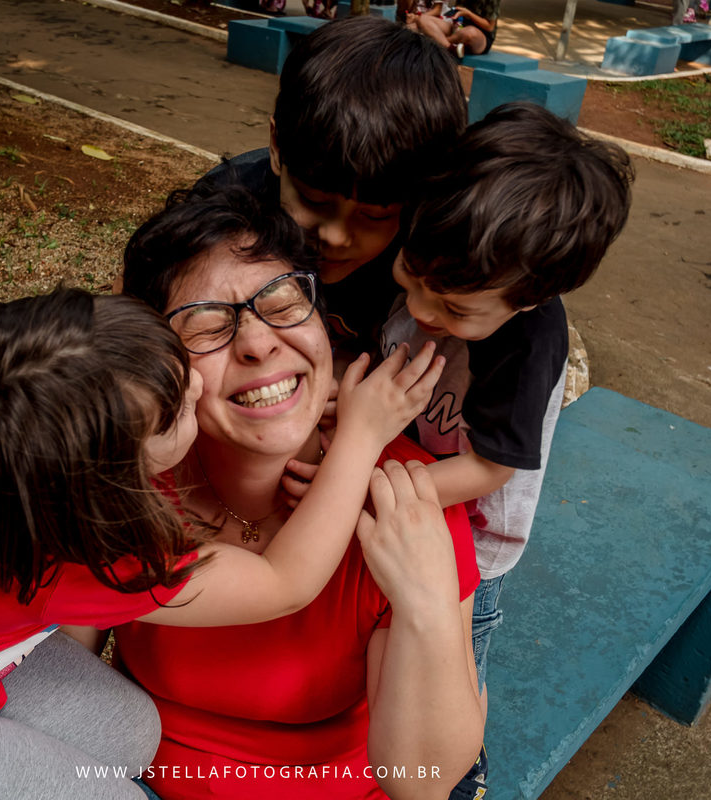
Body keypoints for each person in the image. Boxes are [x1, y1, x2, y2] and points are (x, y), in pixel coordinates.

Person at [0, 287, 439, 800]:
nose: (200, 382)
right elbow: (285, 582)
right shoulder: (83, 554)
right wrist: (361, 437)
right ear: (110, 487)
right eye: (174, 410)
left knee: (126, 733)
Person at [115, 183, 486, 799]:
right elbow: (62, 676)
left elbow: (421, 785)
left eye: (284, 305)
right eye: (207, 326)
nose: (258, 343)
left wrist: (427, 605)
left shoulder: (407, 500)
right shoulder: (127, 478)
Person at [380, 102, 635, 687]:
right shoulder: (442, 248)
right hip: (412, 487)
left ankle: (461, 745)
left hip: (472, 539)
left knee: (449, 669)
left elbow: (491, 467)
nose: (420, 308)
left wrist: (365, 493)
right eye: (409, 276)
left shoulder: (527, 344)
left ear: (530, 296)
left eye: (454, 308)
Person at [195, 15, 467, 358]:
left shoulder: (435, 246)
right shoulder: (219, 214)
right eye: (314, 200)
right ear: (277, 146)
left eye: (374, 215)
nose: (336, 237)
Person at [404, 1, 501, 58]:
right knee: (422, 20)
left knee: (469, 33)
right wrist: (455, 22)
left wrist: (468, 14)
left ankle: (436, 43)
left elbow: (489, 27)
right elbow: (457, 13)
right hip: (459, 28)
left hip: (480, 36)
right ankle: (449, 47)